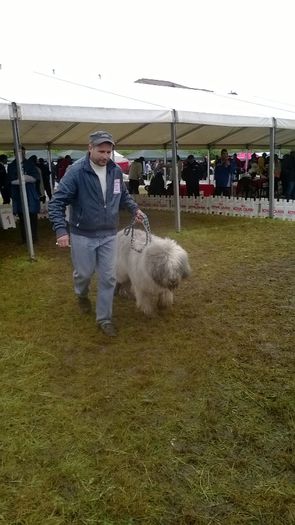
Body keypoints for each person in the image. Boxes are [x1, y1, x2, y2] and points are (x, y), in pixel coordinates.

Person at [48, 130, 146, 337]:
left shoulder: (115, 172)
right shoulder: (76, 172)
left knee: (109, 278)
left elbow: (123, 196)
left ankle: (104, 318)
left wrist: (134, 209)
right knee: (83, 273)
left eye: (108, 152)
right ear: (89, 148)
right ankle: (81, 294)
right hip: (82, 234)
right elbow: (56, 203)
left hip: (109, 234)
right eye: (101, 151)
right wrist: (60, 231)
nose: (105, 156)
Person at [8, 146, 41, 243]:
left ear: (24, 153)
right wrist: (19, 181)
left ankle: (34, 238)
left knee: (32, 216)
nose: (20, 154)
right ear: (14, 154)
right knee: (22, 217)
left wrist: (27, 178)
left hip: (30, 193)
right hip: (18, 194)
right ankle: (24, 238)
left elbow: (36, 177)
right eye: (18, 153)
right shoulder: (11, 166)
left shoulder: (30, 163)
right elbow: (10, 180)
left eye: (22, 152)